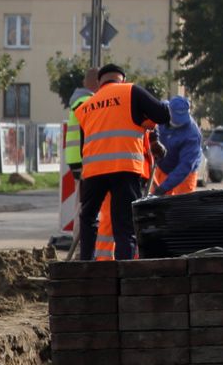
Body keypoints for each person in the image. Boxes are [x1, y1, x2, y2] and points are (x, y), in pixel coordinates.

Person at [70, 64, 168, 260]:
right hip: (124, 167)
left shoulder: (87, 106)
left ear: (99, 82)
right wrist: (148, 125)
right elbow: (163, 114)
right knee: (124, 225)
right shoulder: (131, 91)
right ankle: (125, 271)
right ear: (122, 78)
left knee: (88, 219)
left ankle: (85, 267)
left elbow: (84, 145)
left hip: (94, 170)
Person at [151, 95, 204, 196]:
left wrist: (163, 188)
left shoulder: (192, 135)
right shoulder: (161, 111)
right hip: (163, 166)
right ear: (169, 112)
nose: (180, 122)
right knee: (158, 204)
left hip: (186, 174)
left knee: (182, 206)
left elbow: (185, 166)